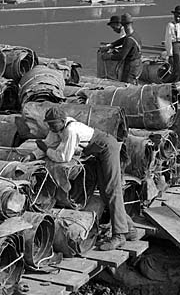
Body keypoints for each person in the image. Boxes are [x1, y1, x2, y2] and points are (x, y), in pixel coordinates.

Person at [37, 107, 139, 250]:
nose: (51, 127)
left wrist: (46, 151)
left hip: (107, 148)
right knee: (105, 192)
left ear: (62, 121)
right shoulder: (57, 129)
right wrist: (35, 154)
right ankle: (130, 229)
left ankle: (119, 236)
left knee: (112, 189)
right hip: (98, 153)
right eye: (49, 124)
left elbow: (63, 157)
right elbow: (49, 143)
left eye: (53, 124)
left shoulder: (70, 130)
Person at [105, 13, 142, 84]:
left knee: (127, 87)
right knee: (133, 84)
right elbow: (123, 40)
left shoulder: (129, 40)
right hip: (137, 64)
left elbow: (121, 56)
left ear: (123, 25)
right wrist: (111, 45)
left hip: (131, 67)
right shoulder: (134, 35)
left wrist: (108, 56)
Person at [165, 5, 180, 81]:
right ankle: (176, 82)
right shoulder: (170, 25)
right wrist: (170, 54)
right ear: (174, 16)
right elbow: (168, 40)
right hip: (174, 45)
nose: (178, 18)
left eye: (179, 17)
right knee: (176, 67)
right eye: (176, 16)